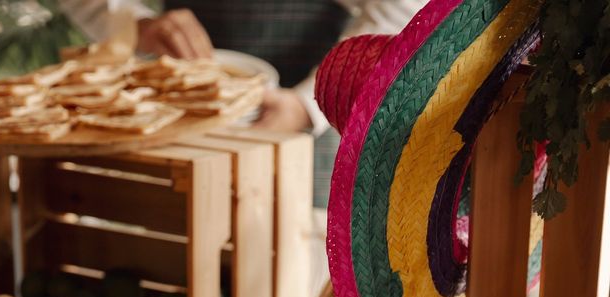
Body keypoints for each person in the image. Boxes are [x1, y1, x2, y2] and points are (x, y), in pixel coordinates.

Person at [60, 0, 427, 207]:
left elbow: (403, 6)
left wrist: (306, 105)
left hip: (310, 136)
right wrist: (135, 24)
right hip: (186, 134)